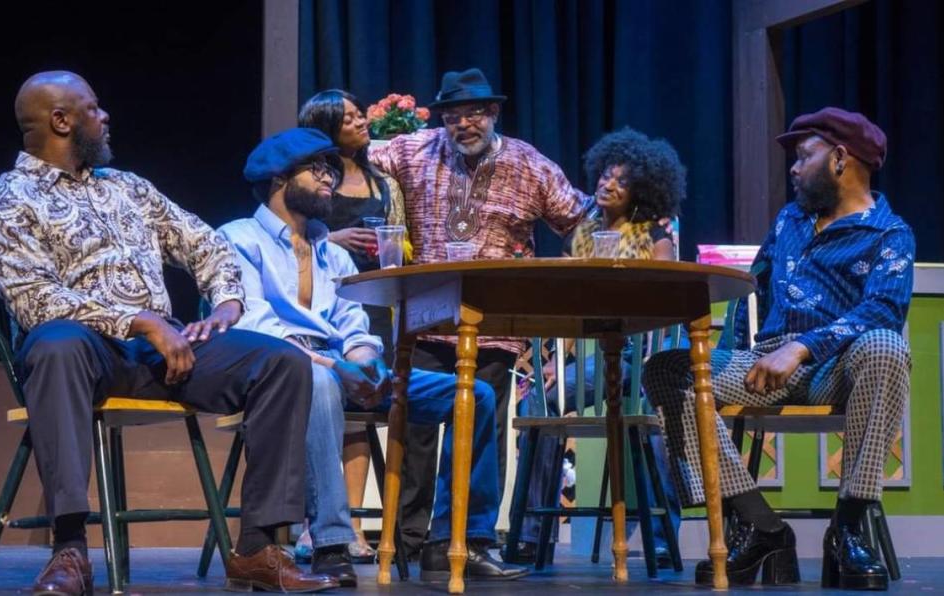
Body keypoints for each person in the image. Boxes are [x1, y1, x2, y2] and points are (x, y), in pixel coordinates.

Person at [0, 71, 337, 595]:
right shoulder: (12, 195)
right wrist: (139, 320)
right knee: (56, 342)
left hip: (162, 355)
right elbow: (33, 297)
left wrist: (226, 301)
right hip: (83, 352)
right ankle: (69, 551)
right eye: (93, 108)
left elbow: (207, 245)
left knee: (282, 362)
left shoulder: (129, 187)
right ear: (60, 121)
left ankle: (258, 547)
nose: (104, 118)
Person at [217, 126, 530, 584]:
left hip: (339, 370)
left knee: (475, 394)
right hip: (276, 376)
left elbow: (353, 326)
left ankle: (458, 540)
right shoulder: (239, 238)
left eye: (330, 168)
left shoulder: (331, 253)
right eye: (316, 169)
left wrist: (365, 363)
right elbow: (254, 328)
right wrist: (335, 367)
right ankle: (330, 543)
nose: (329, 178)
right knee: (318, 381)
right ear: (279, 179)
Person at [642, 107, 913, 590]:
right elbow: (755, 290)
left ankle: (849, 526)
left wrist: (803, 348)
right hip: (764, 361)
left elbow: (883, 310)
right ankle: (760, 527)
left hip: (835, 365)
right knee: (667, 369)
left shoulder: (890, 233)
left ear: (840, 159)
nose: (792, 167)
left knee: (886, 344)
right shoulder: (790, 219)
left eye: (803, 155)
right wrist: (719, 361)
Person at [369, 67, 589, 556]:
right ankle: (407, 540)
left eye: (473, 114)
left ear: (493, 114)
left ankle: (465, 538)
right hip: (425, 318)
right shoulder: (413, 149)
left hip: (495, 322)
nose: (463, 124)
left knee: (478, 429)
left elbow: (578, 218)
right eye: (452, 115)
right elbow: (358, 164)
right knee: (417, 431)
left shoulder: (528, 164)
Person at [509, 128, 684, 563]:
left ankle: (663, 536)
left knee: (659, 418)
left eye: (622, 181)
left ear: (641, 190)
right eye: (606, 175)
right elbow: (569, 300)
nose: (608, 184)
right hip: (594, 352)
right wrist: (556, 360)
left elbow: (667, 301)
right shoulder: (584, 234)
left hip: (642, 355)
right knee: (540, 404)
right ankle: (532, 532)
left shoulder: (656, 235)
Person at [295, 89, 409, 563]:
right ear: (326, 128)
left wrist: (395, 251)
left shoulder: (382, 180)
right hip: (328, 294)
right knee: (327, 405)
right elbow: (296, 227)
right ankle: (316, 522)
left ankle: (355, 524)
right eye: (348, 118)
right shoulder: (313, 179)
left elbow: (401, 236)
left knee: (360, 413)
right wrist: (335, 237)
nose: (361, 122)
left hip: (372, 304)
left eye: (361, 114)